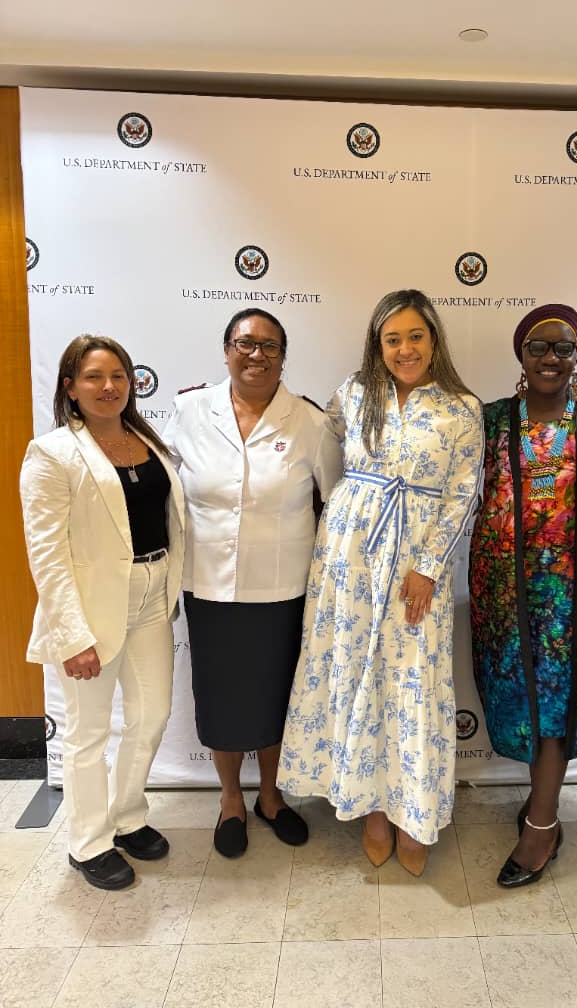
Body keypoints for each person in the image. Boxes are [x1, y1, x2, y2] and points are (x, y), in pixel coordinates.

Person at [278, 289, 483, 876]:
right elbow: (324, 463)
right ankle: (370, 807)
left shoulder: (460, 408)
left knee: (411, 680)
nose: (404, 348)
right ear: (377, 345)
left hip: (418, 558)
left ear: (434, 339)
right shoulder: (354, 395)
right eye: (392, 338)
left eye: (415, 335)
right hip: (349, 555)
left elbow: (463, 492)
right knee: (353, 674)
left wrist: (428, 567)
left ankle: (411, 813)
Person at [163, 308, 341, 858]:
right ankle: (230, 801)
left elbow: (337, 503)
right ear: (225, 350)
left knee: (275, 696)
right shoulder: (189, 411)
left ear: (284, 356)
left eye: (269, 346)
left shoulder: (310, 422)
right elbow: (165, 494)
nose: (256, 354)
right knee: (219, 698)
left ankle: (271, 796)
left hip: (283, 589)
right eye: (245, 344)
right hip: (209, 585)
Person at [20, 334, 185, 890]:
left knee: (152, 714)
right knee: (88, 731)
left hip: (152, 592)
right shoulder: (52, 454)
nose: (108, 386)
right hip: (90, 608)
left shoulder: (147, 439)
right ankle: (88, 842)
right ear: (70, 387)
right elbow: (46, 552)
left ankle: (128, 815)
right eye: (93, 377)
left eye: (118, 375)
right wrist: (71, 635)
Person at [469, 304, 577, 888]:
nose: (551, 358)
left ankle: (540, 827)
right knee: (528, 706)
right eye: (539, 347)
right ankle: (543, 801)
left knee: (560, 705)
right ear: (521, 355)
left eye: (564, 348)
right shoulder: (490, 421)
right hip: (506, 593)